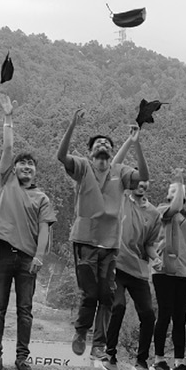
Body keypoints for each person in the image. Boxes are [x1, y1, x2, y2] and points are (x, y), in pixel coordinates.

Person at [55, 110, 148, 357]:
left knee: (107, 295)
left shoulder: (121, 171)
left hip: (110, 244)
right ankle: (81, 331)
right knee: (90, 293)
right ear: (90, 152)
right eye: (98, 143)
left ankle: (98, 344)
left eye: (107, 143)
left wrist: (136, 144)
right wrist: (72, 124)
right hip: (84, 240)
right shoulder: (83, 168)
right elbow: (61, 156)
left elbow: (144, 177)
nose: (103, 145)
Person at [0, 94, 57, 370]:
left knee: (25, 311)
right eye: (22, 163)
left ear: (35, 171)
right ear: (14, 169)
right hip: (3, 254)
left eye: (31, 164)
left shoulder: (42, 197)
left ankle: (22, 358)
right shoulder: (6, 182)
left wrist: (39, 257)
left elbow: (44, 228)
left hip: (28, 259)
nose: (26, 166)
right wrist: (8, 118)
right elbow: (7, 148)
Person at [100, 129, 161, 370]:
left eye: (145, 182)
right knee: (119, 306)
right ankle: (109, 354)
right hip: (116, 265)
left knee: (148, 313)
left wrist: (155, 258)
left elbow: (148, 244)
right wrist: (132, 142)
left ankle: (142, 362)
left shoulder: (154, 214)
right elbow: (113, 167)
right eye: (137, 180)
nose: (141, 184)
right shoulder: (121, 198)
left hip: (138, 271)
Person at [151, 168, 186, 370]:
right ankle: (159, 359)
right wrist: (178, 179)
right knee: (164, 313)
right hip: (164, 270)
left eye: (180, 189)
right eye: (173, 189)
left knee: (180, 318)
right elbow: (176, 206)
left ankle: (180, 363)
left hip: (185, 272)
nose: (177, 191)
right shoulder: (163, 210)